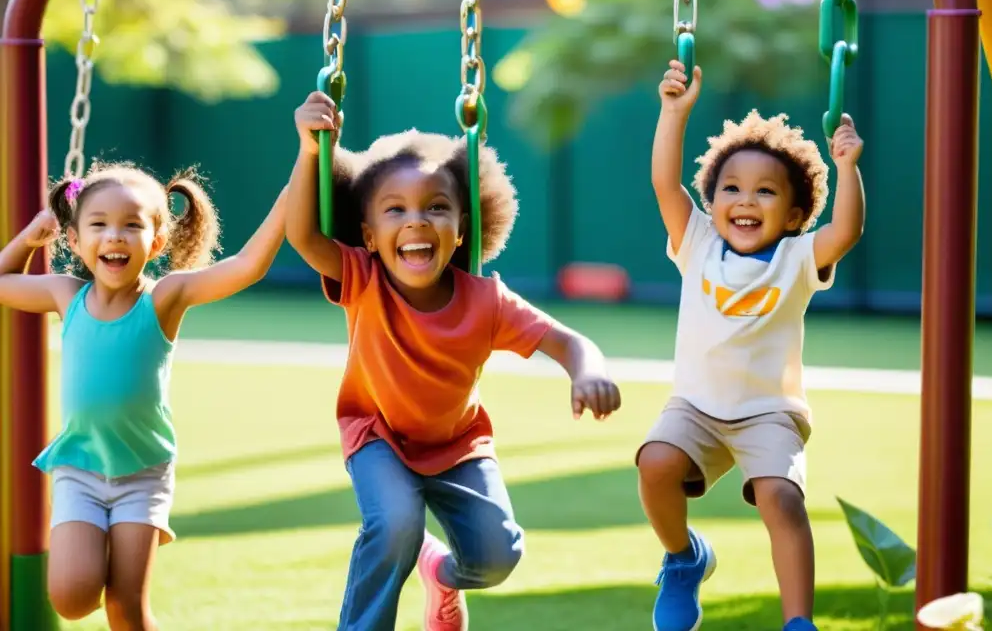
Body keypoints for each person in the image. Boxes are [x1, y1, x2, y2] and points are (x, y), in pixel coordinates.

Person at [285, 91, 623, 631]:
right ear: (368, 235)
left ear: (464, 227)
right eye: (395, 209)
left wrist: (589, 370)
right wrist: (309, 151)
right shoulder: (363, 279)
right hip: (378, 435)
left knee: (497, 557)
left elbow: (568, 342)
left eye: (436, 208)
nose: (416, 221)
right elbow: (301, 234)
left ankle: (441, 573)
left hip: (458, 445)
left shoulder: (486, 300)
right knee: (395, 525)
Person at [0, 161, 288, 631]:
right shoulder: (64, 294)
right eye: (99, 225)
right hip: (80, 469)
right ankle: (92, 552)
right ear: (74, 241)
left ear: (156, 243)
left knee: (126, 610)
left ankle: (116, 562)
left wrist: (297, 178)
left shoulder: (163, 299)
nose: (114, 236)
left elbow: (247, 266)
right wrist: (29, 239)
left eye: (132, 226)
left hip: (142, 474)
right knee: (71, 599)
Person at [639, 61, 865, 631]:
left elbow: (846, 233)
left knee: (780, 500)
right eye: (732, 189)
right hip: (696, 404)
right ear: (712, 201)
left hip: (769, 411)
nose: (745, 200)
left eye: (765, 192)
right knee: (655, 463)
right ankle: (683, 558)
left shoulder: (796, 258)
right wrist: (674, 113)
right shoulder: (697, 242)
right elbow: (665, 184)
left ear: (792, 214)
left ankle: (798, 622)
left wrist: (847, 169)